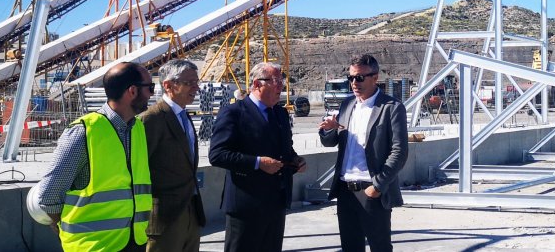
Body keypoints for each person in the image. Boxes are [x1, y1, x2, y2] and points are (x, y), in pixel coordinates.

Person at [33, 62, 154, 251]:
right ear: (132, 91)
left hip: (134, 242)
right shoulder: (84, 131)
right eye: (150, 88)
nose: (151, 94)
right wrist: (66, 230)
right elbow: (49, 195)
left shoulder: (137, 129)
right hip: (93, 247)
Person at [208, 62, 306, 252]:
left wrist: (295, 160)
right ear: (256, 84)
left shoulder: (280, 113)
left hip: (276, 203)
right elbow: (218, 154)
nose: (281, 86)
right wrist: (258, 163)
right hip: (246, 206)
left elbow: (286, 149)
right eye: (275, 81)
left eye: (282, 81)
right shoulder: (234, 113)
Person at [319, 54, 409, 252]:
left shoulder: (391, 108)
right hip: (345, 190)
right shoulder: (347, 105)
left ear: (375, 77)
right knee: (350, 247)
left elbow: (400, 152)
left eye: (359, 78)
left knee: (380, 247)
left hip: (371, 191)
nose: (353, 83)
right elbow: (329, 142)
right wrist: (329, 128)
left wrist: (377, 186)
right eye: (350, 78)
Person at [139, 59, 206, 251]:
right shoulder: (151, 120)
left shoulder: (184, 117)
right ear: (168, 85)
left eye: (197, 82)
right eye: (189, 83)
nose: (196, 88)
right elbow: (138, 170)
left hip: (191, 213)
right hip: (165, 219)